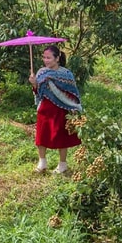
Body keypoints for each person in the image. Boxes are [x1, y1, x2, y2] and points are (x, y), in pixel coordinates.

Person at [29, 45, 83, 174]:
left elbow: (72, 93)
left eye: (49, 58)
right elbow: (39, 93)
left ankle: (62, 165)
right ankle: (42, 163)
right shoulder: (42, 72)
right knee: (41, 137)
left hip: (61, 109)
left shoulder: (66, 74)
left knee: (61, 137)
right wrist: (34, 84)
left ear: (57, 58)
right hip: (45, 109)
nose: (45, 60)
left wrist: (73, 107)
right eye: (44, 57)